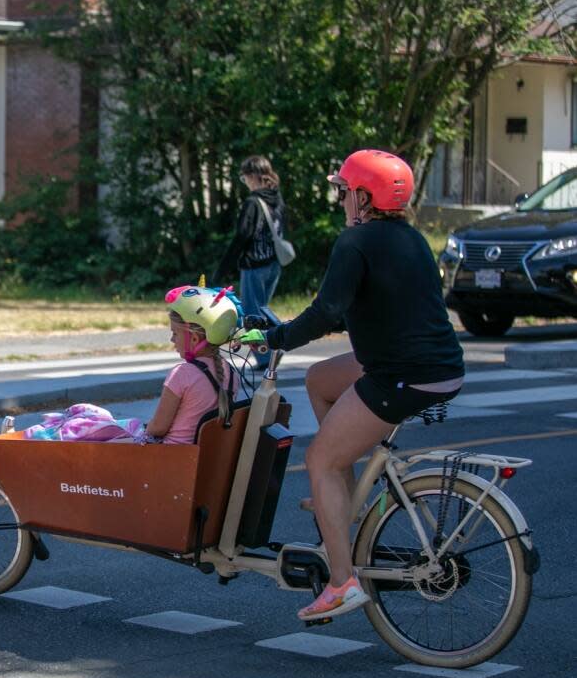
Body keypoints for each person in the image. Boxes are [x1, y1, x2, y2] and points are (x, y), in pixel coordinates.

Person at [262, 149, 464, 621]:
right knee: (321, 379)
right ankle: (343, 504)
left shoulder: (354, 243)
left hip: (402, 374)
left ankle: (341, 581)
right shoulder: (412, 238)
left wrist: (277, 336)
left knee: (319, 460)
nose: (339, 200)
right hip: (439, 365)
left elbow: (328, 312)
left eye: (343, 191)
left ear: (362, 197)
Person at [145, 285, 241, 444]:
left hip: (173, 459)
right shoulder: (231, 374)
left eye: (175, 333)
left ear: (195, 339)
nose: (172, 340)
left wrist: (141, 429)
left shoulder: (182, 374)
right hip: (206, 459)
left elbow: (158, 428)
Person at [215, 156, 287, 368]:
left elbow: (243, 235)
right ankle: (274, 346)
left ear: (252, 176)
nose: (244, 181)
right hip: (274, 264)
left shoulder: (253, 202)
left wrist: (223, 268)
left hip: (255, 265)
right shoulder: (277, 199)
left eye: (244, 176)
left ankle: (271, 351)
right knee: (260, 309)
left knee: (251, 314)